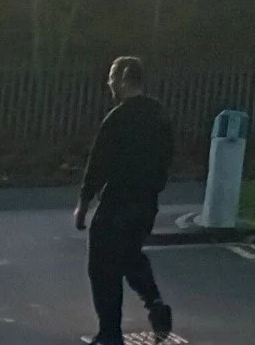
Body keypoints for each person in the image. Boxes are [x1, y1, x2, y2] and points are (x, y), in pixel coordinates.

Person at [73, 54, 176, 345]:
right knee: (129, 255)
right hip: (147, 203)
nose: (109, 85)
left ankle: (110, 333)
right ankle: (155, 303)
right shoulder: (159, 114)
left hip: (117, 203)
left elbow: (98, 164)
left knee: (102, 266)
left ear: (120, 81)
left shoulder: (117, 118)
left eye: (111, 79)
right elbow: (167, 157)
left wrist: (83, 204)